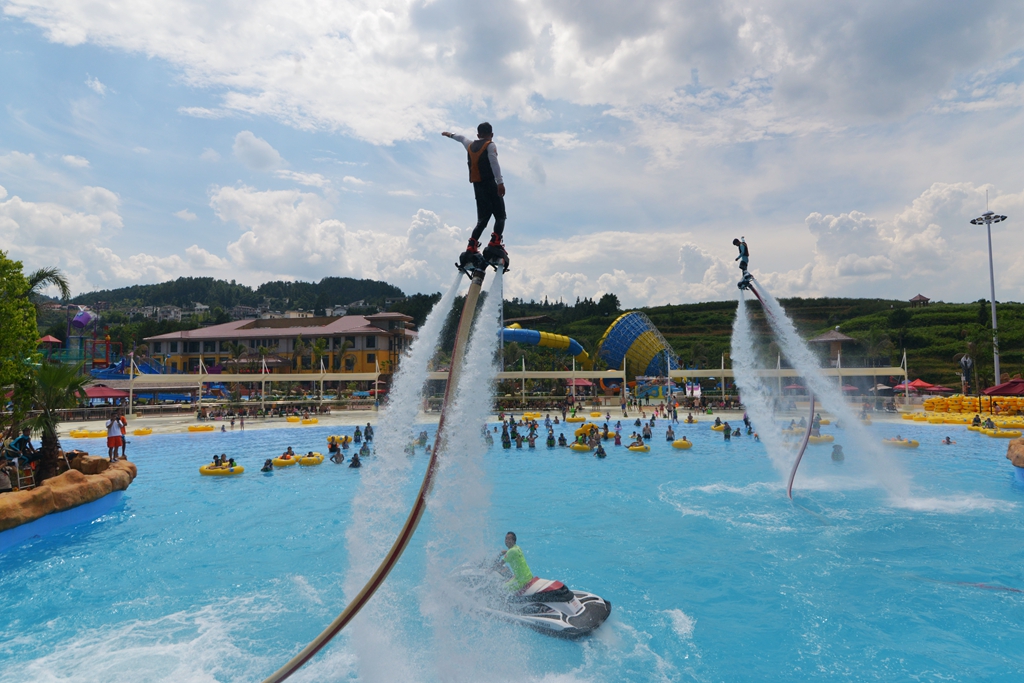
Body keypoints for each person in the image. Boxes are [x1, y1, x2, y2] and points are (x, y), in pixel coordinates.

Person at [443, 123, 508, 267]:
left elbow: (461, 138)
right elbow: (494, 163)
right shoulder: (490, 145)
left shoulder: (470, 145)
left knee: (482, 220)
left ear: (478, 135)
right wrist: (500, 183)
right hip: (491, 185)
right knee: (500, 216)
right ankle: (495, 243)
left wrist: (450, 135)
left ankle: (471, 247)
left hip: (478, 188)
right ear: (491, 134)